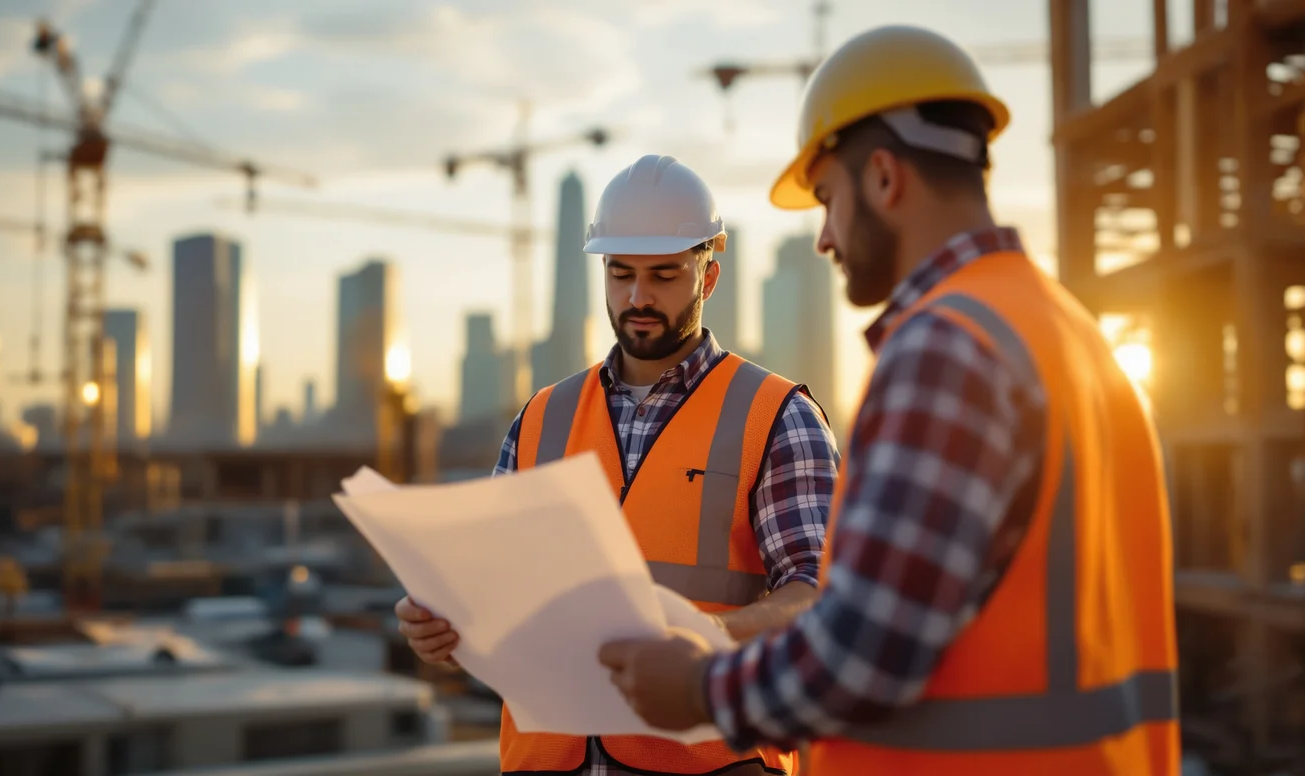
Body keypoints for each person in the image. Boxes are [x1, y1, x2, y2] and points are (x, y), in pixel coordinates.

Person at [598, 24, 1180, 776]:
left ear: (882, 178)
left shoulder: (949, 345)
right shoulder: (1072, 337)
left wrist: (699, 686)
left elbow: (865, 649)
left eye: (827, 199)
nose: (825, 238)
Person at [396, 153, 841, 775]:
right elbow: (497, 590)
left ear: (709, 276)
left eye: (664, 275)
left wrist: (709, 640)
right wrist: (447, 627)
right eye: (620, 273)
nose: (638, 297)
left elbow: (823, 595)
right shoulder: (541, 419)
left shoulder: (776, 416)